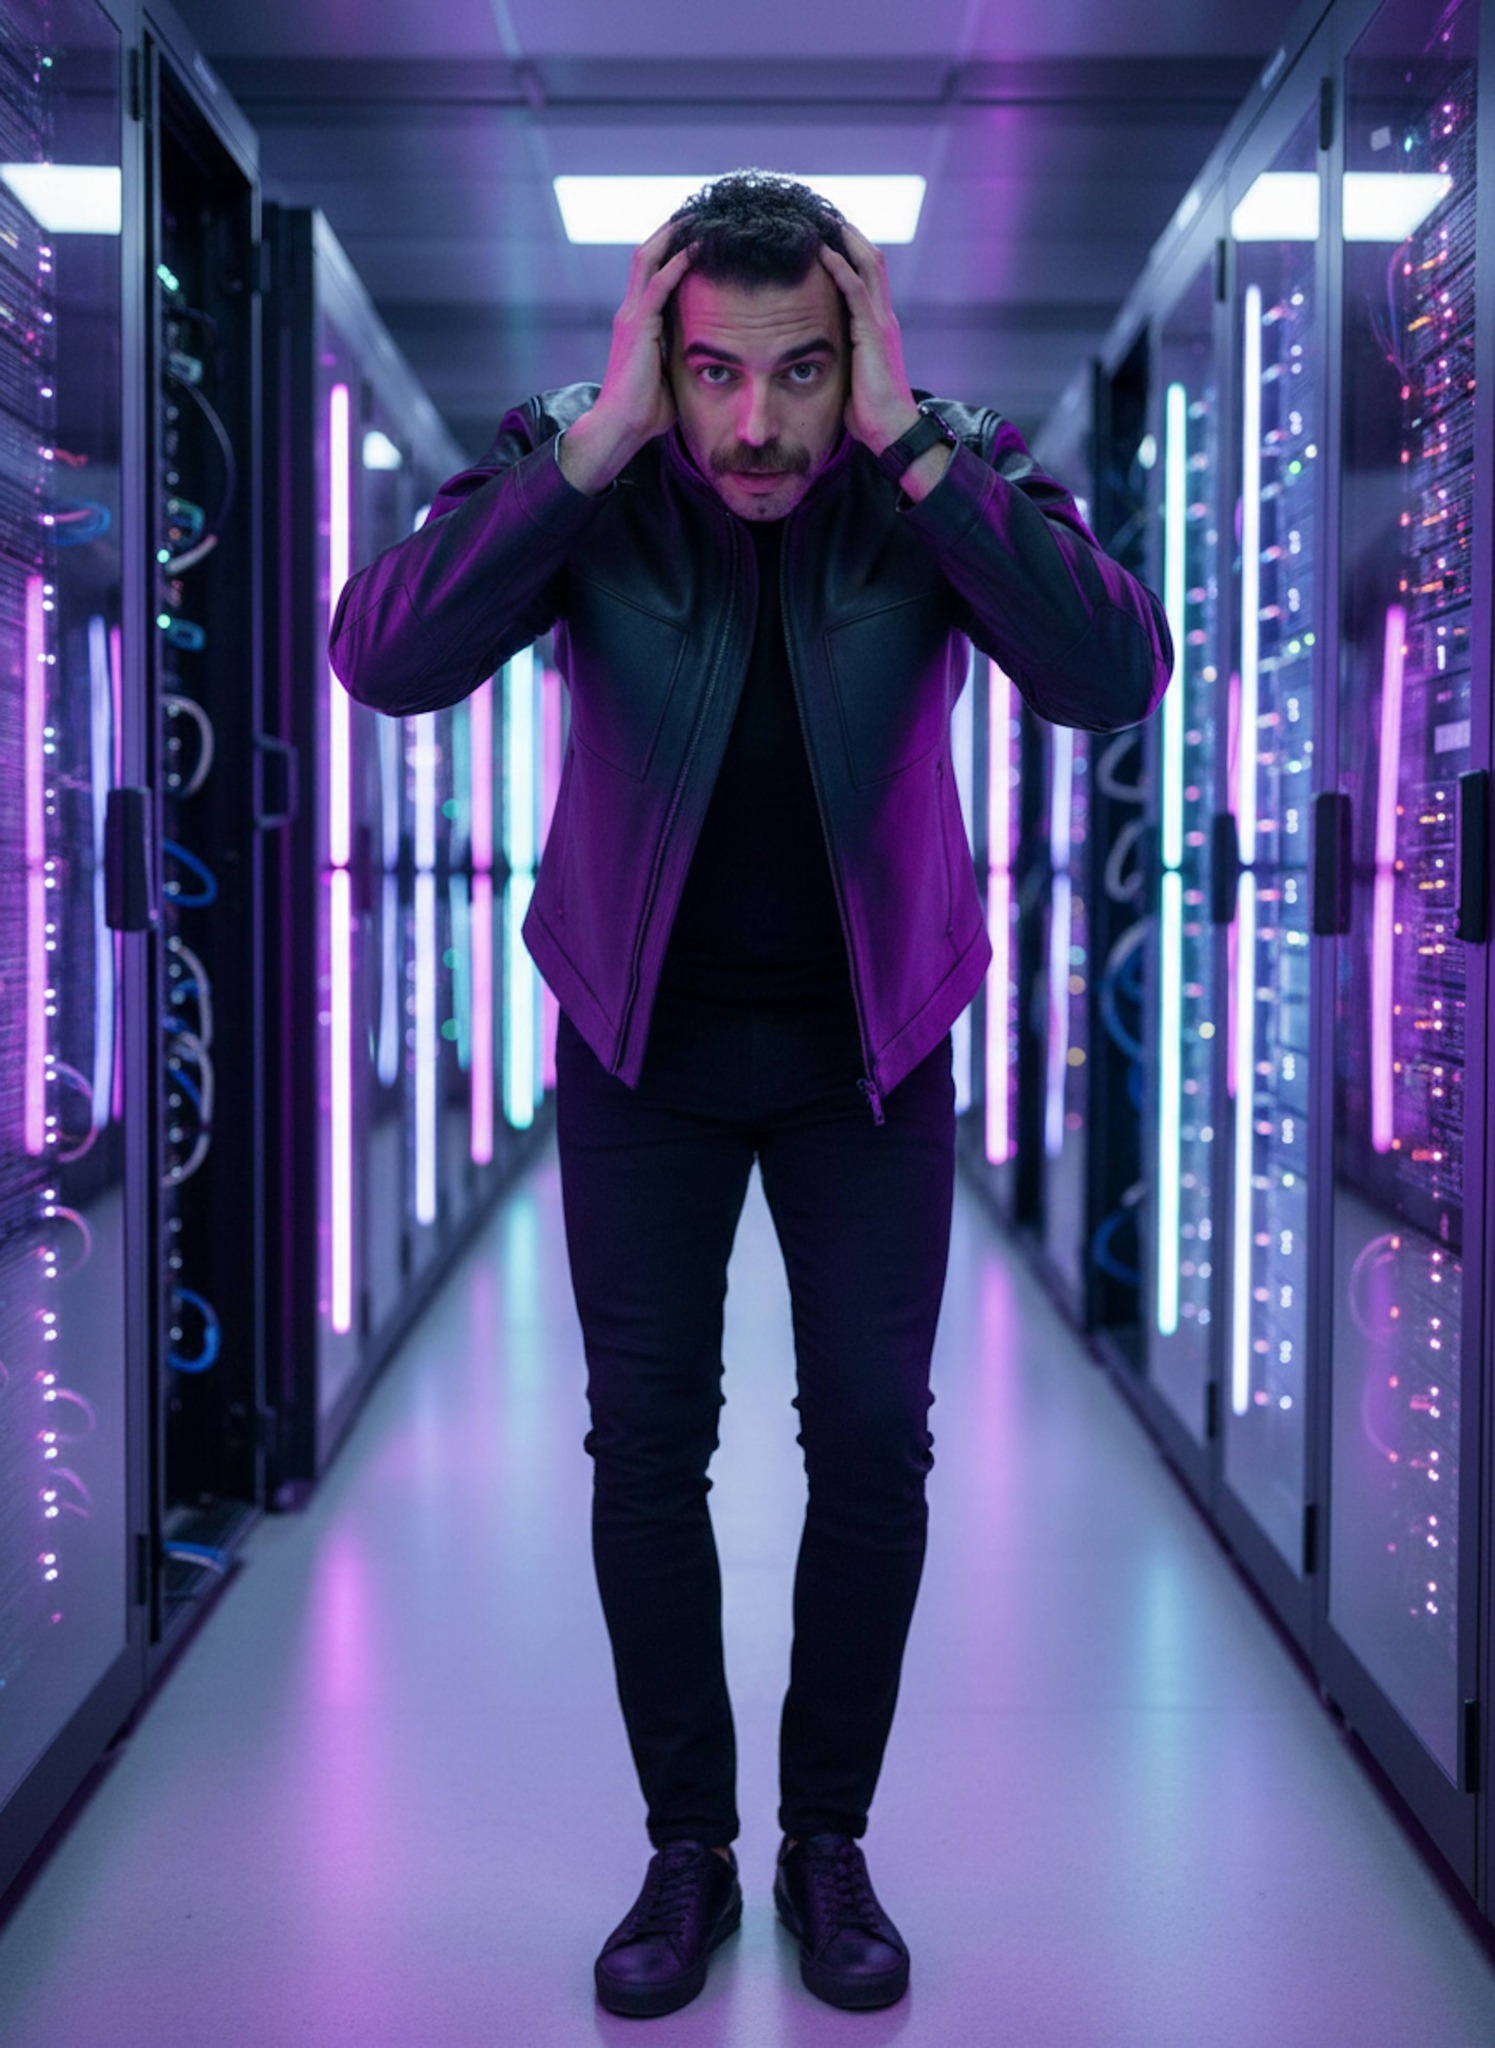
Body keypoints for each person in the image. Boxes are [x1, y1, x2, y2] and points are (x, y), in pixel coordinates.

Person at [330, 170, 1170, 2019]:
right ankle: (689, 1851)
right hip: (644, 1050)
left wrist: (921, 449)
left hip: (876, 1048)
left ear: (854, 351)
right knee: (650, 1451)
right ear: (661, 357)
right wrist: (595, 439)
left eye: (799, 374)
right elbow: (380, 656)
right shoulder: (597, 475)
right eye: (713, 374)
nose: (757, 425)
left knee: (872, 1442)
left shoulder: (931, 476)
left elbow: (1118, 672)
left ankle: (827, 1843)